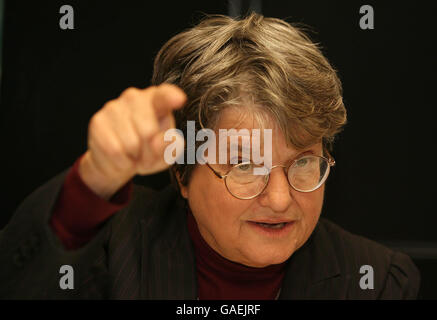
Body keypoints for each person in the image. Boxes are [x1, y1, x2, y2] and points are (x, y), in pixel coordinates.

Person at [0, 12, 420, 299]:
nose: (279, 200)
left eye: (304, 161)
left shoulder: (378, 280)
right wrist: (92, 180)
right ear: (183, 174)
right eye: (244, 165)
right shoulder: (112, 249)